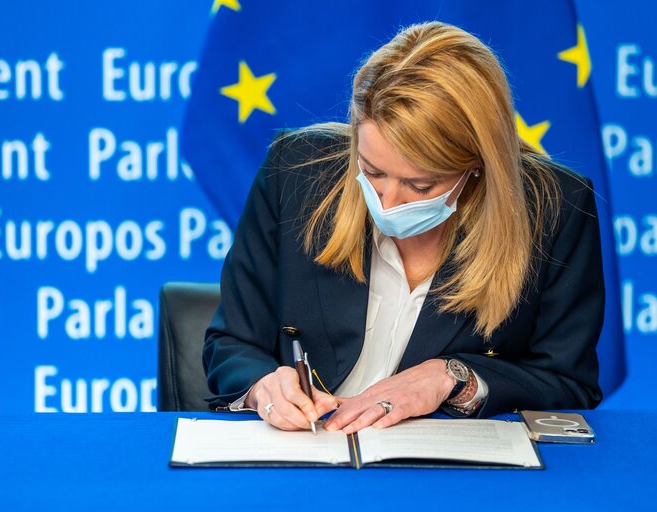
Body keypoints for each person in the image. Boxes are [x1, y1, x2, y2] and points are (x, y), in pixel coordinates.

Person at [203, 21, 604, 434]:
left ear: (478, 166)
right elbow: (231, 343)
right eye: (373, 171)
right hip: (308, 455)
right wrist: (262, 387)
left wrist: (454, 377)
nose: (388, 202)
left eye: (420, 184)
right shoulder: (295, 171)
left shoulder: (556, 208)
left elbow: (568, 383)